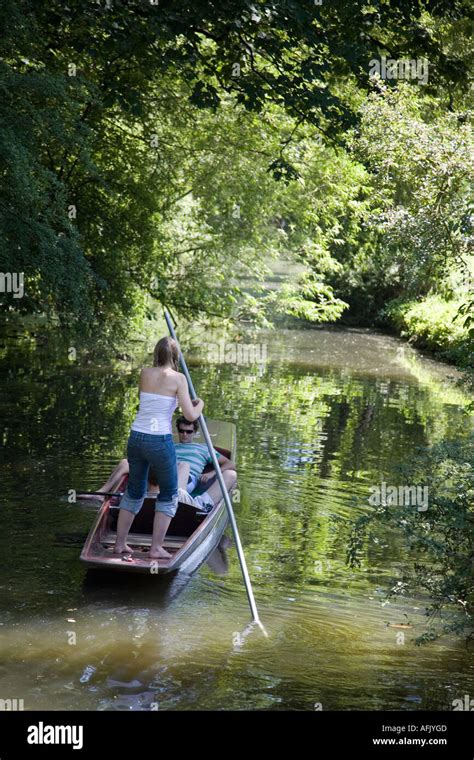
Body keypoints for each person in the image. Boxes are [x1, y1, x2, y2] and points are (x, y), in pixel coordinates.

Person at [113, 336, 203, 560]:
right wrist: (199, 403)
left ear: (156, 354)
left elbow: (149, 401)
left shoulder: (144, 373)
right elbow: (190, 415)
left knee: (134, 491)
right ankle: (155, 548)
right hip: (158, 440)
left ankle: (119, 544)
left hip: (136, 437)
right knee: (169, 494)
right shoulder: (179, 378)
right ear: (176, 357)